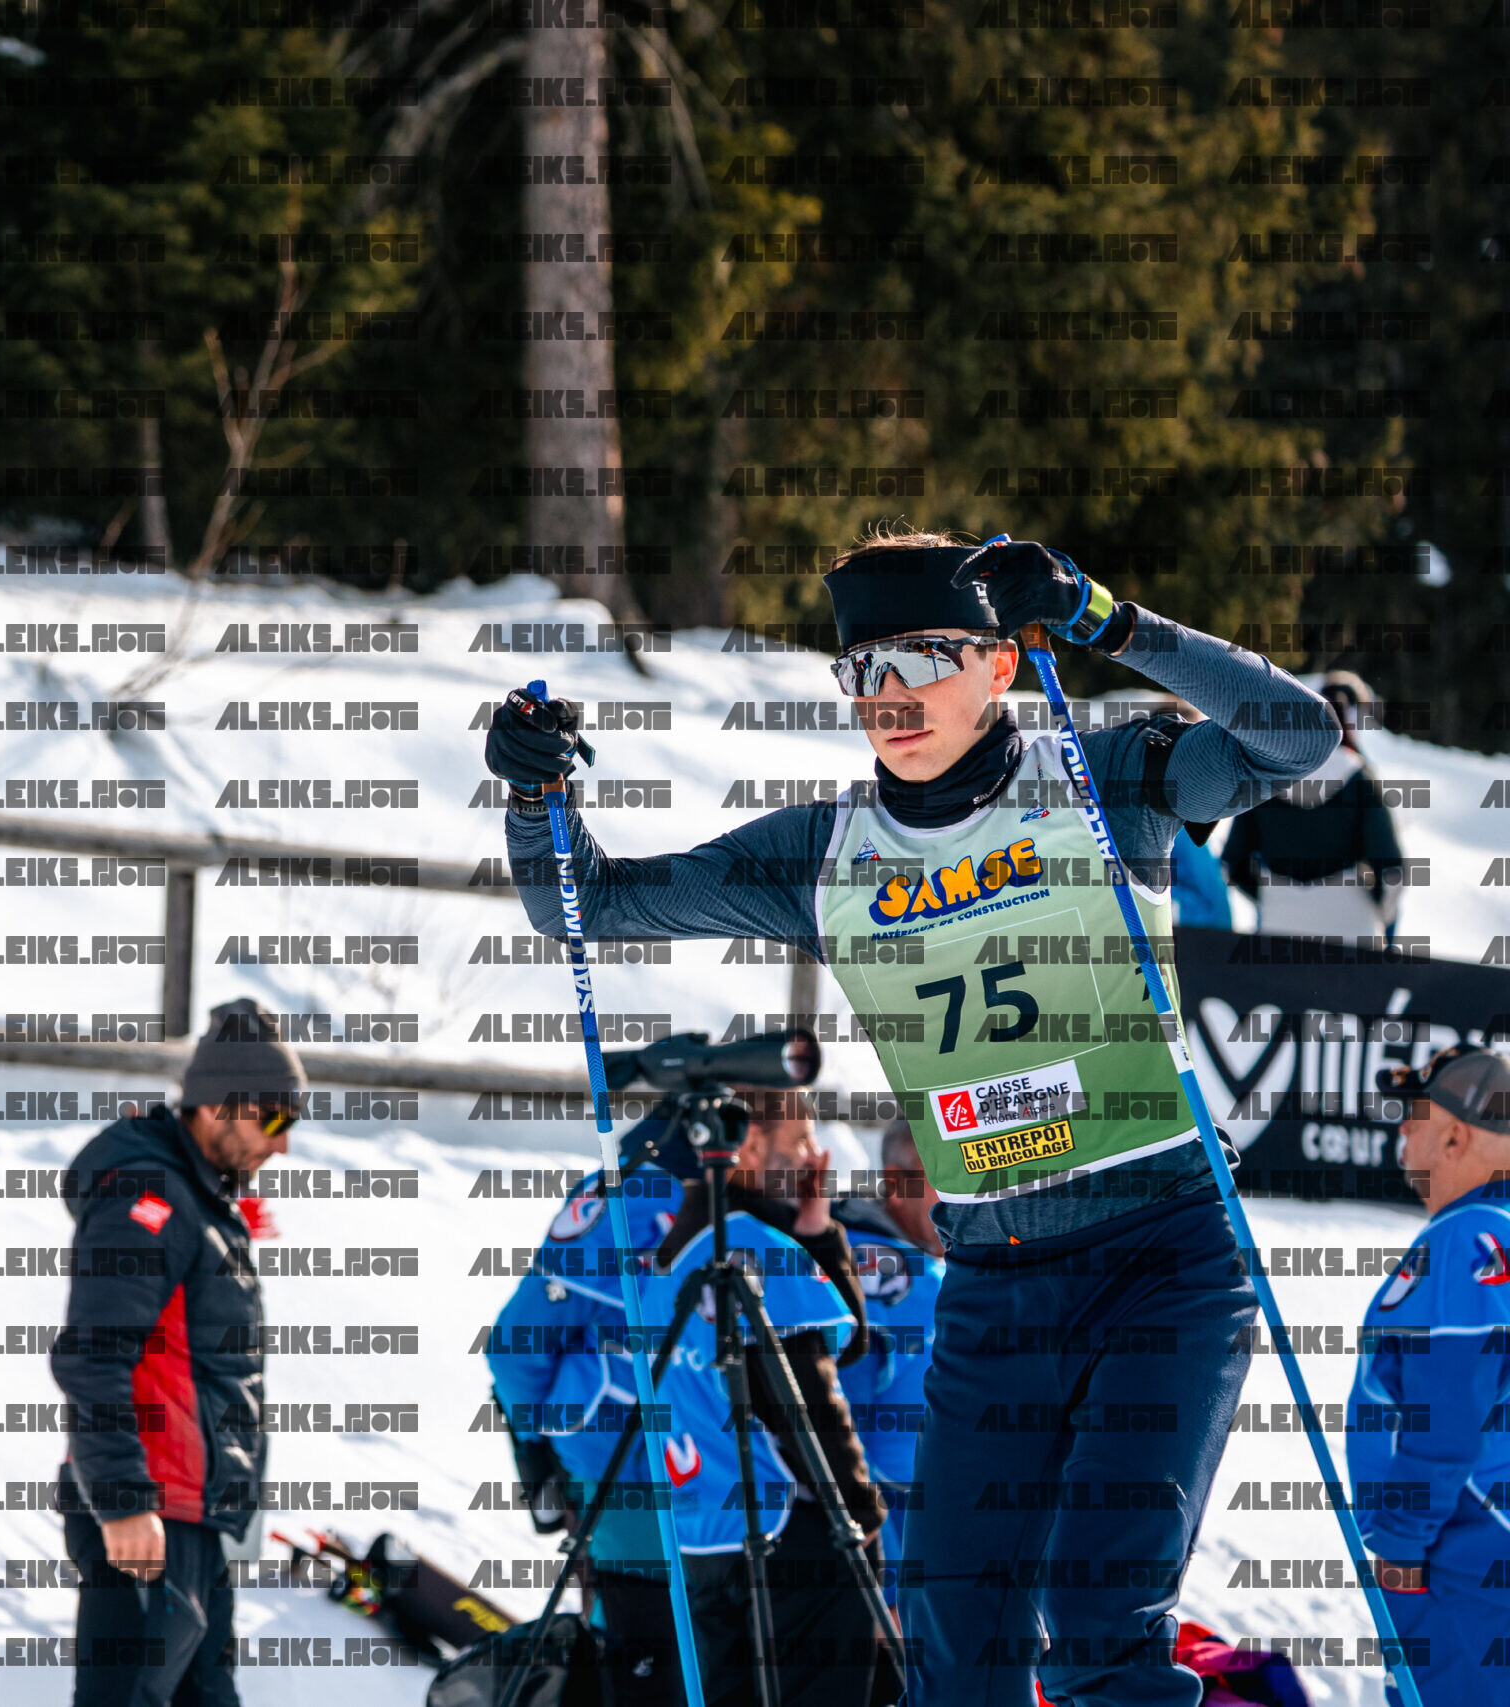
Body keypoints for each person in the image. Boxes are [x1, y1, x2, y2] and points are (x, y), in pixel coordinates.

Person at [486, 527, 1344, 1706]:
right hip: (992, 1282)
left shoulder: (1102, 782)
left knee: (1097, 1630)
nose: (887, 695)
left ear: (1000, 664)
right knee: (953, 1649)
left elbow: (1298, 737)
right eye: (862, 669)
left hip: (1161, 1262)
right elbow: (580, 907)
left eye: (923, 658)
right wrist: (532, 790)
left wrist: (1106, 620)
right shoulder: (823, 851)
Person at [488, 1087, 892, 1707]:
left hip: (705, 1492)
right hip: (636, 1474)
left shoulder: (720, 1222)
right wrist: (541, 1455)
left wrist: (815, 1230)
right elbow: (518, 1346)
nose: (816, 1155)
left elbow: (826, 1347)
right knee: (656, 1666)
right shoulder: (641, 1195)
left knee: (699, 1672)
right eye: (801, 1138)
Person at [50, 998, 296, 1707]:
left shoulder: (199, 1201)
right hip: (145, 1515)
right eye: (273, 1119)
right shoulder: (149, 1195)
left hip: (189, 1518)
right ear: (218, 1105)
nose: (282, 1144)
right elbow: (92, 1354)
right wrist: (124, 1501)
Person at [1348, 1045, 1510, 1706]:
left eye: (1412, 1117)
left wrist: (1399, 1547)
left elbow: (1446, 1413)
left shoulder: (1467, 1237)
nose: (1401, 1137)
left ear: (1454, 1136)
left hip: (1460, 1558)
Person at [831, 1121, 945, 1608]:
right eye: (946, 1176)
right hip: (893, 1557)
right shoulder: (892, 1274)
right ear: (897, 1184)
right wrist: (886, 1591)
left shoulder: (927, 1259)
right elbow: (839, 1434)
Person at [1221, 669, 1406, 942]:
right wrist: (1382, 914)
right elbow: (1391, 872)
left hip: (1279, 926)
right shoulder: (1359, 778)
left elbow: (1232, 863)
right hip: (1352, 929)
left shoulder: (1268, 773)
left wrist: (1272, 896)